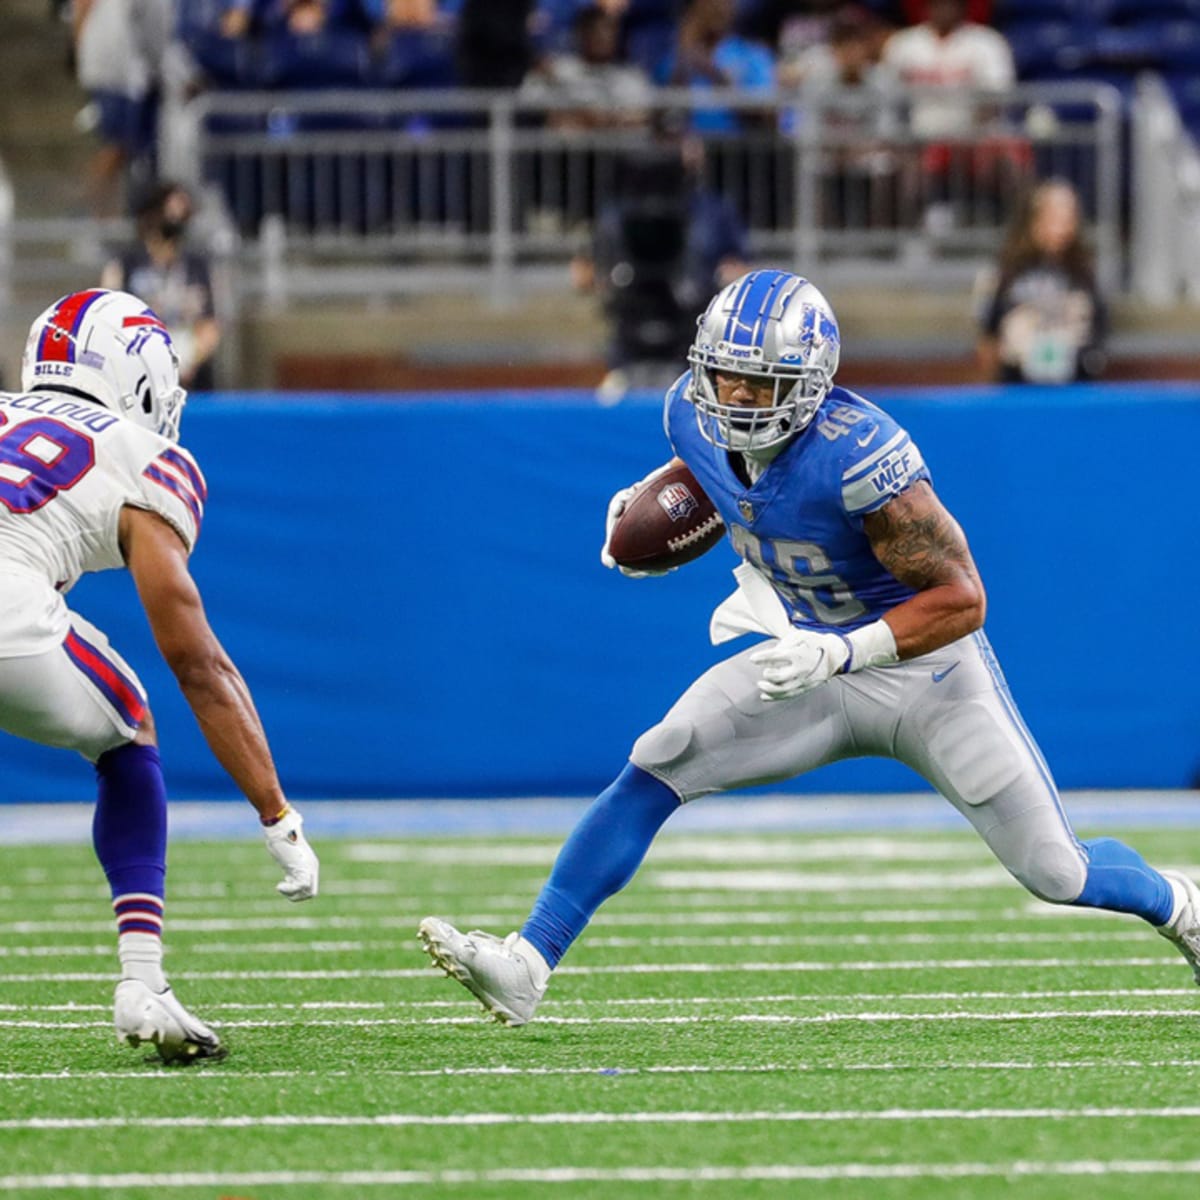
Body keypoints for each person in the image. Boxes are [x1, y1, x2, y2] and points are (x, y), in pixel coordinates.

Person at [419, 267, 1200, 1026]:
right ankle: (529, 962)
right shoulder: (688, 415)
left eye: (759, 384)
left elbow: (963, 600)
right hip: (808, 667)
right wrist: (647, 515)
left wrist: (843, 652)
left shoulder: (862, 460)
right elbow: (724, 488)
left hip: (923, 674)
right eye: (725, 376)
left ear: (811, 382)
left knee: (1058, 872)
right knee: (662, 755)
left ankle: (1181, 903)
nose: (736, 398)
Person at [2, 288, 320, 1062]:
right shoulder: (145, 457)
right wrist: (275, 812)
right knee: (129, 721)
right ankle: (141, 979)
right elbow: (196, 663)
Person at [976, 178, 1107, 384]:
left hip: (1074, 386)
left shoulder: (1082, 271)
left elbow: (1098, 329)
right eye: (1053, 217)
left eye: (1069, 217)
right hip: (1017, 387)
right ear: (1033, 219)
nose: (1062, 227)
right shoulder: (1006, 271)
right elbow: (988, 334)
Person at [100, 182, 223, 391]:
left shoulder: (198, 266)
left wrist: (187, 361)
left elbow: (210, 325)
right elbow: (108, 323)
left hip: (189, 370)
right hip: (138, 368)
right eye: (169, 213)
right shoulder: (124, 266)